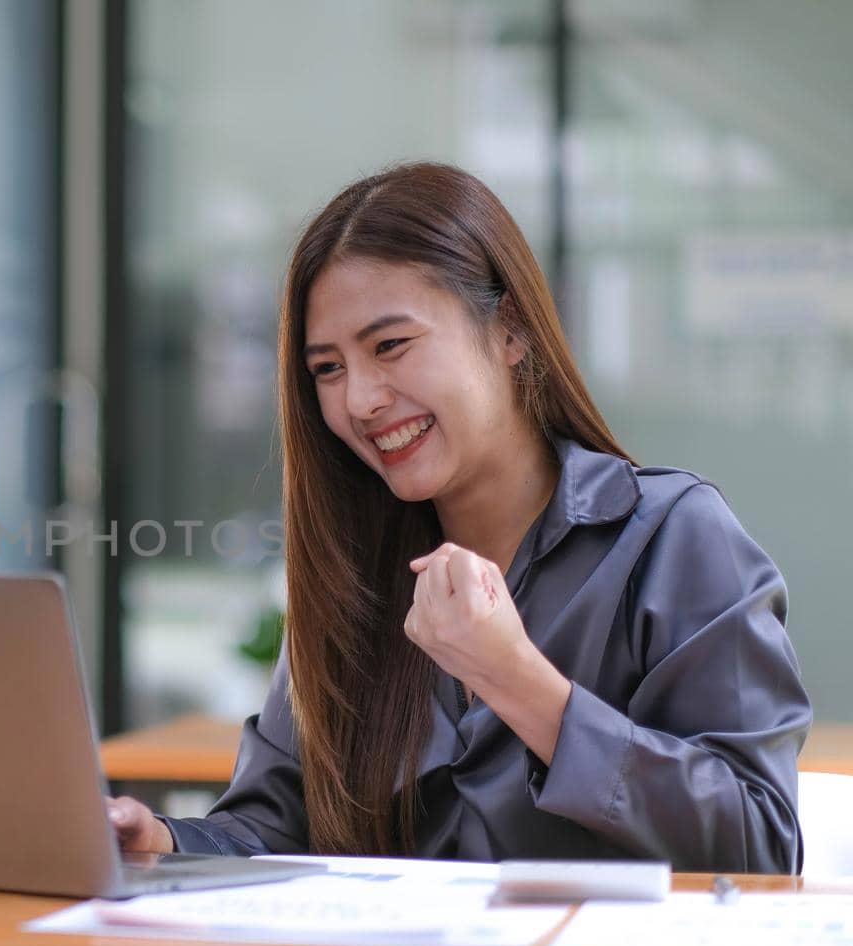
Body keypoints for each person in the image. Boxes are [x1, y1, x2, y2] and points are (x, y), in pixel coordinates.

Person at [107, 161, 811, 873]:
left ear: (510, 330)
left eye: (390, 346)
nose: (360, 400)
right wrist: (160, 844)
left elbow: (759, 843)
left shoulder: (671, 537)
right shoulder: (351, 575)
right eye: (327, 368)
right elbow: (273, 827)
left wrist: (519, 681)